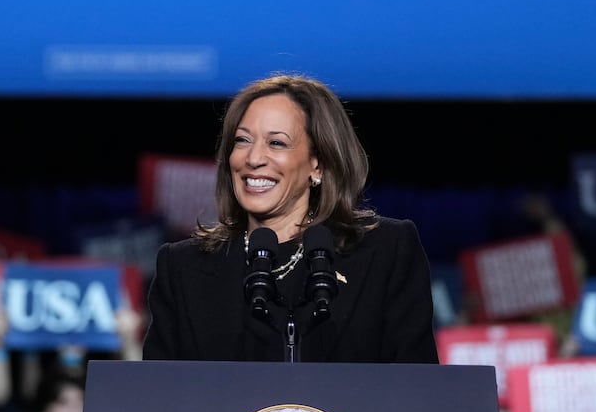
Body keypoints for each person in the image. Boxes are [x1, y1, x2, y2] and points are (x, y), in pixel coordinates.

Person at [143, 75, 436, 363]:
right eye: (242, 140)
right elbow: (159, 398)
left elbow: (417, 393)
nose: (253, 158)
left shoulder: (386, 252)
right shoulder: (182, 268)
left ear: (318, 164)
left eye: (276, 143)